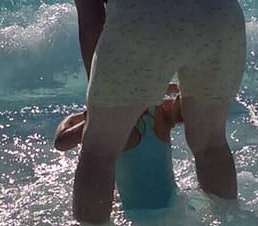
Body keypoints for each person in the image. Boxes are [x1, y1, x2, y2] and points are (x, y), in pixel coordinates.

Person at [59, 0, 246, 224]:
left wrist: (97, 96)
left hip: (144, 12)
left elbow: (92, 18)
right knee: (210, 143)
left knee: (99, 151)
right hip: (221, 10)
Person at [53, 86, 185, 213]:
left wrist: (78, 118)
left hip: (136, 214)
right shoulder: (162, 121)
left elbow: (61, 142)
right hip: (173, 205)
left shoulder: (114, 122)